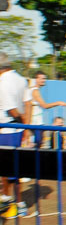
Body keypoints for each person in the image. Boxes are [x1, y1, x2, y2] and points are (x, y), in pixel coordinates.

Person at [0, 53, 28, 216]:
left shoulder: (3, 82)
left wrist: (23, 121)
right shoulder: (21, 79)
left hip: (7, 129)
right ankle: (18, 203)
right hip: (16, 130)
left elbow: (12, 110)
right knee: (16, 168)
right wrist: (27, 127)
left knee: (6, 169)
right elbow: (28, 103)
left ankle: (9, 202)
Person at [22, 70, 66, 148]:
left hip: (34, 121)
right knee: (37, 144)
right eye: (41, 78)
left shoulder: (30, 89)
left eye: (44, 78)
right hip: (36, 122)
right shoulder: (35, 91)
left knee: (36, 143)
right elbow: (44, 105)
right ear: (36, 79)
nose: (43, 80)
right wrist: (58, 103)